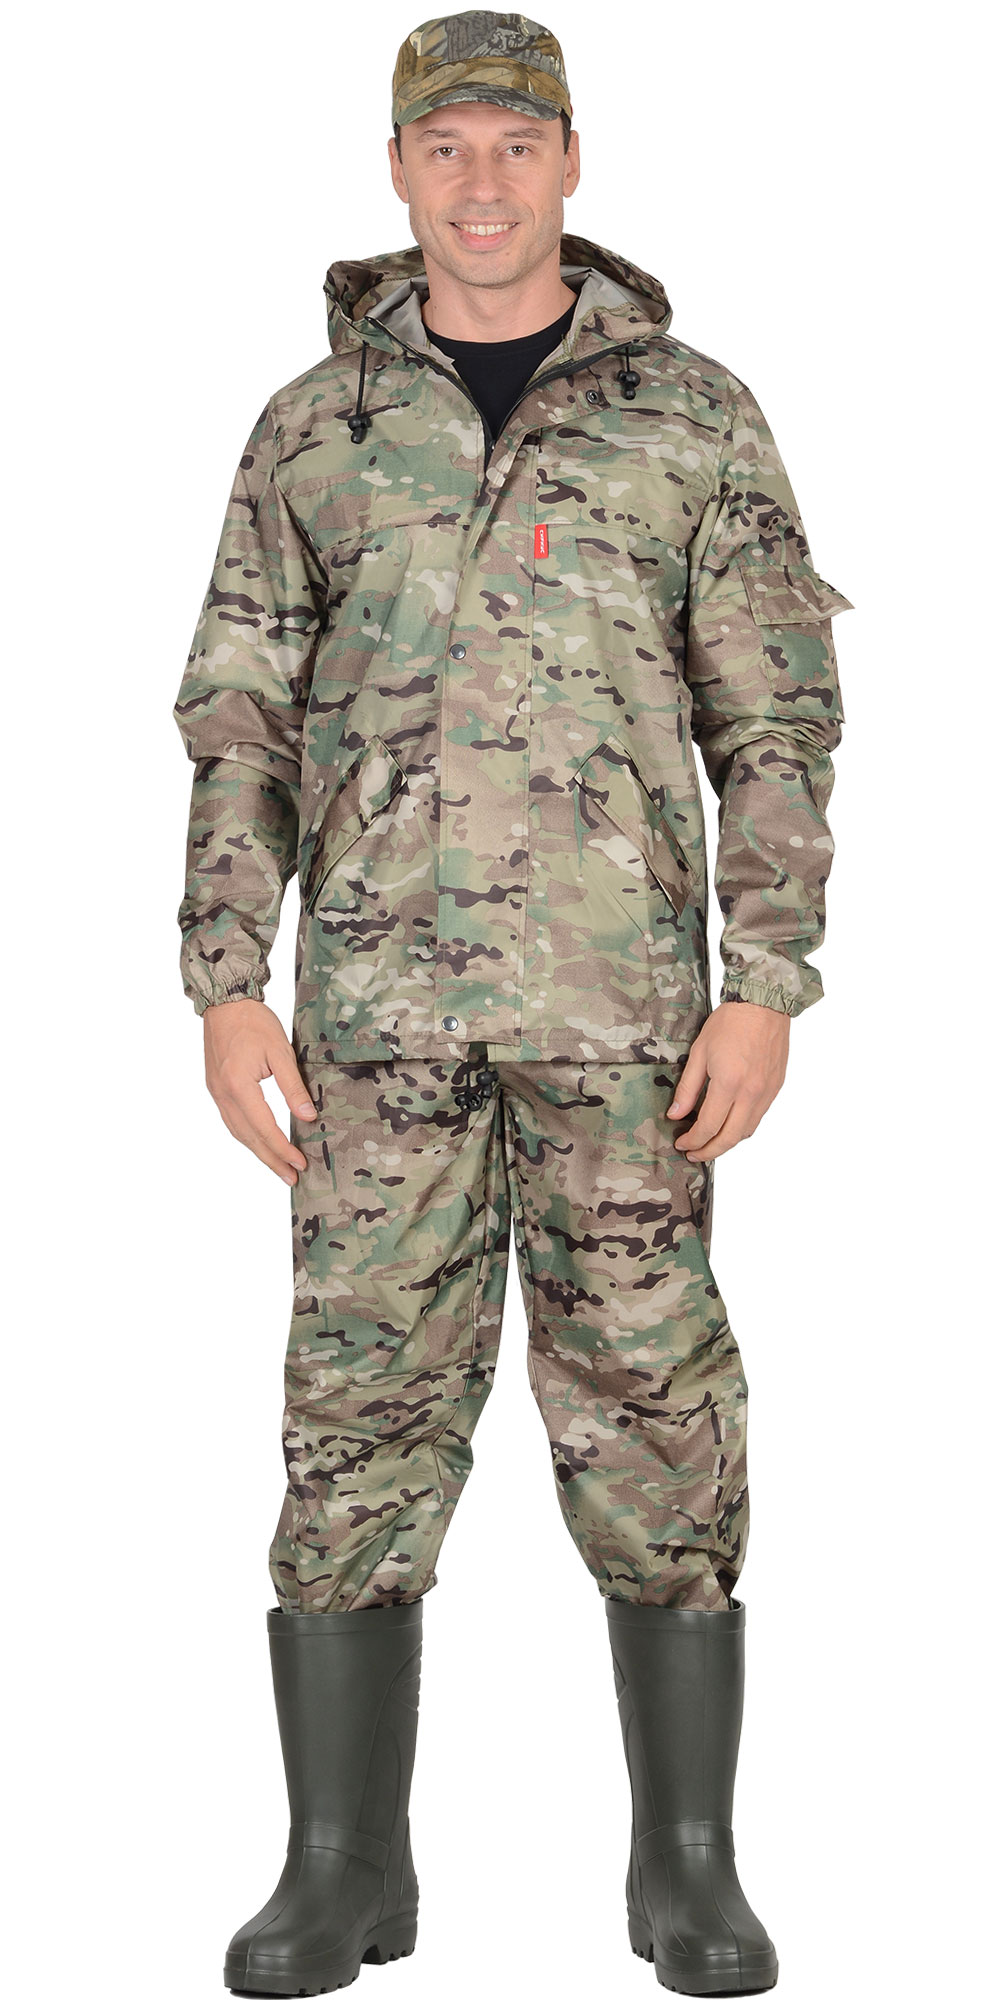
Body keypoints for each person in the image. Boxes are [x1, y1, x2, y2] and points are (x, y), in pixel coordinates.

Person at [173, 12, 852, 1994]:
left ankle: (687, 1866)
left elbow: (776, 721)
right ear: (395, 170)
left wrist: (767, 983)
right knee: (353, 1424)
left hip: (624, 1032)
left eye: (515, 144)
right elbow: (238, 720)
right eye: (444, 145)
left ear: (572, 163)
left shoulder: (692, 417)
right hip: (374, 1031)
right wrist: (225, 980)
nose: (480, 182)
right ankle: (339, 1869)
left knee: (655, 1417)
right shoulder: (313, 429)